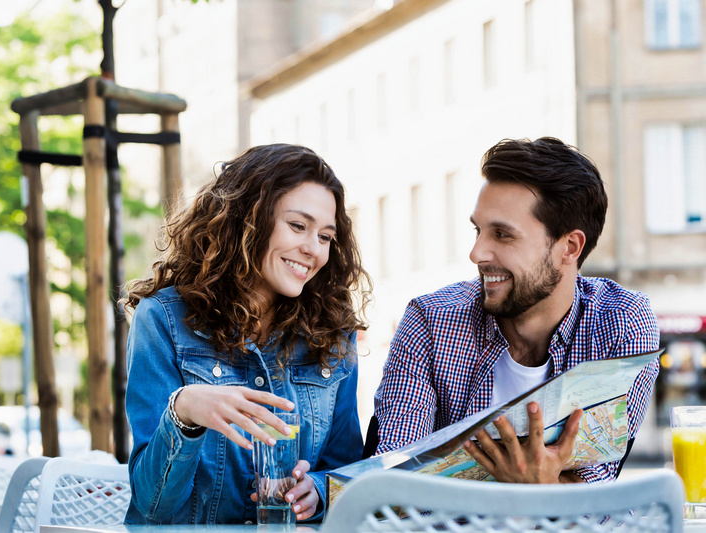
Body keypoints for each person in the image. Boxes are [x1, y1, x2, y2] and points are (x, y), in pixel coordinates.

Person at [373, 137, 659, 484]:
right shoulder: (430, 320)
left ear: (569, 246)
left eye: (503, 235)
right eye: (478, 231)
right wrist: (541, 484)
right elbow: (394, 477)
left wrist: (540, 489)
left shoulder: (621, 321)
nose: (477, 253)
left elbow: (596, 483)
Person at [122, 143, 371, 524]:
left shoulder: (333, 335)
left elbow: (346, 470)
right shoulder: (163, 321)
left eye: (325, 236)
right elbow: (153, 504)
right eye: (298, 226)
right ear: (246, 219)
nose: (312, 250)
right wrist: (184, 413)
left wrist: (319, 490)